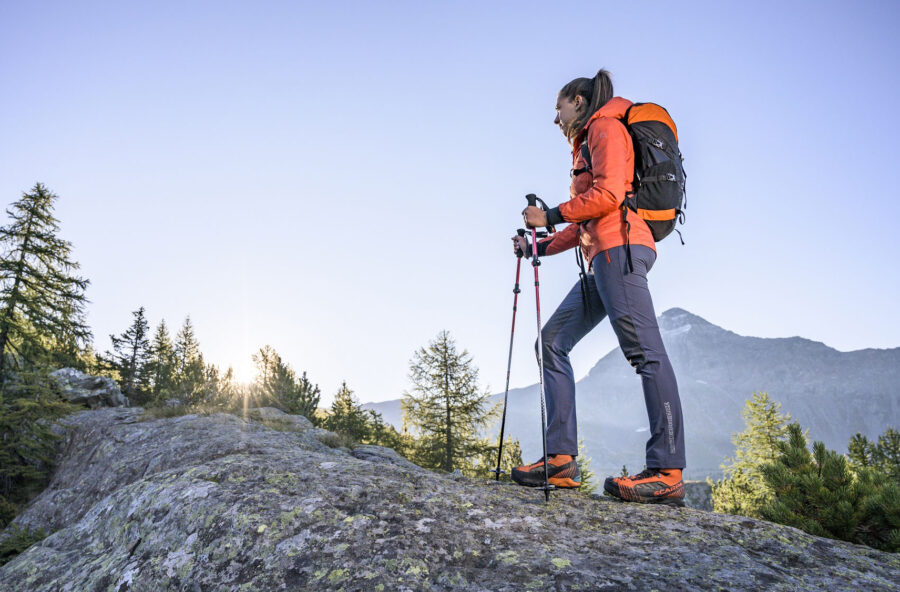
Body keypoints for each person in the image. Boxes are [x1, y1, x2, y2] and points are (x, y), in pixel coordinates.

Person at [510, 69, 686, 505]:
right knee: (551, 341)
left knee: (646, 353)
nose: (556, 118)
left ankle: (667, 470)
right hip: (603, 256)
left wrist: (551, 214)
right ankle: (561, 460)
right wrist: (540, 244)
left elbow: (608, 196)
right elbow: (588, 217)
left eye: (560, 107)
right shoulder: (589, 138)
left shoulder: (605, 128)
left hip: (620, 251)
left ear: (580, 102)